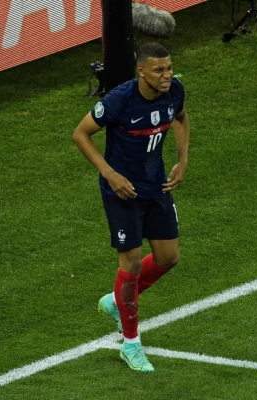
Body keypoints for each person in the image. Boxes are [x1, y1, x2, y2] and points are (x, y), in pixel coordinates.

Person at [72, 42, 190, 372]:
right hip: (122, 192)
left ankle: (115, 300)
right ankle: (131, 344)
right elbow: (80, 134)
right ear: (141, 71)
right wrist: (110, 174)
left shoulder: (174, 91)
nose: (166, 75)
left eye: (169, 68)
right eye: (159, 70)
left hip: (156, 186)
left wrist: (182, 160)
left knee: (169, 258)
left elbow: (182, 119)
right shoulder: (119, 100)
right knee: (132, 264)